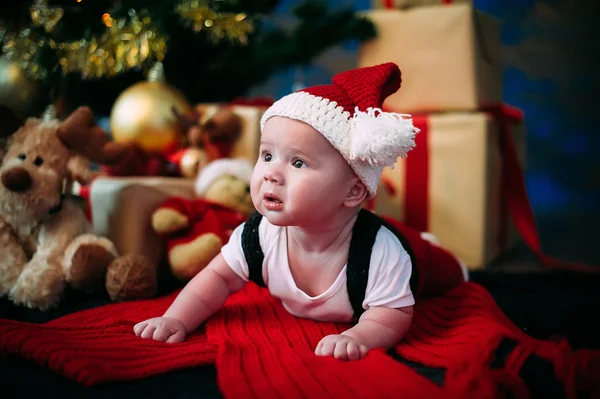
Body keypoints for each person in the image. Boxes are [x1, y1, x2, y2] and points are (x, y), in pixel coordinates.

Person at [134, 62, 460, 361]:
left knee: (445, 268)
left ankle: (446, 255)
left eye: (298, 162)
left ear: (353, 190)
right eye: (266, 155)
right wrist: (176, 317)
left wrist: (360, 335)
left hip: (419, 258)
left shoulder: (380, 252)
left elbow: (393, 314)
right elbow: (217, 277)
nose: (271, 173)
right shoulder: (258, 235)